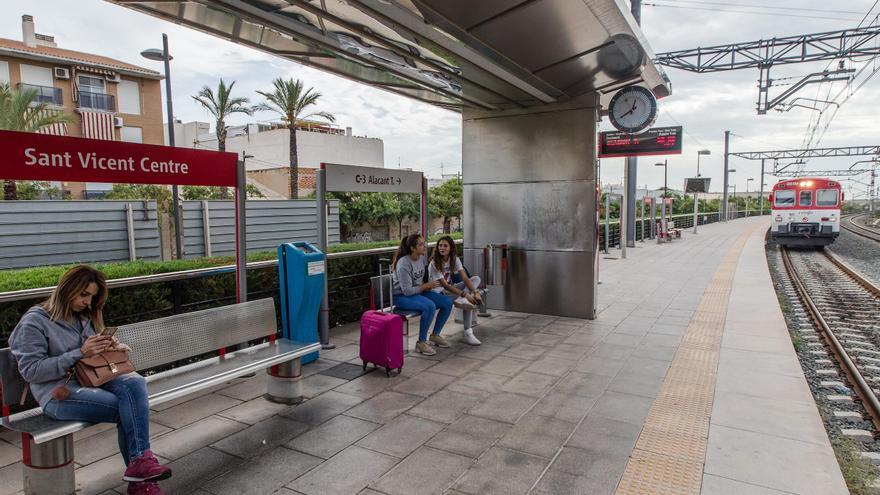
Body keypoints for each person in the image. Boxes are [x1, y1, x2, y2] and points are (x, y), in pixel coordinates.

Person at [9, 265, 171, 495]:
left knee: (135, 383)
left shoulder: (85, 316)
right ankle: (141, 481)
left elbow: (91, 356)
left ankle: (141, 464)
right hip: (58, 393)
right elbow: (31, 371)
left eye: (92, 296)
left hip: (92, 379)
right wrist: (80, 353)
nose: (88, 301)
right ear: (67, 289)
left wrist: (106, 347)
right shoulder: (34, 322)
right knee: (128, 409)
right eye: (84, 294)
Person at [391, 234, 453, 356]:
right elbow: (407, 291)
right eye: (420, 244)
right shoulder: (404, 263)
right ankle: (421, 342)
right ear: (413, 248)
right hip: (401, 297)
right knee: (429, 306)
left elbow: (419, 282)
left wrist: (426, 286)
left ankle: (435, 335)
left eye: (424, 243)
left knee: (447, 302)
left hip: (418, 292)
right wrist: (426, 286)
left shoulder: (421, 259)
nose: (424, 246)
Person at [429, 236, 484, 346]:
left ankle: (468, 332)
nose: (442, 248)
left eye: (445, 245)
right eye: (440, 245)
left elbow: (465, 278)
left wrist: (475, 292)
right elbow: (445, 286)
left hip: (449, 291)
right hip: (438, 293)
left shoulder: (454, 259)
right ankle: (468, 333)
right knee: (467, 299)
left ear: (451, 248)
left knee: (476, 279)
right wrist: (465, 294)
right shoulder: (434, 263)